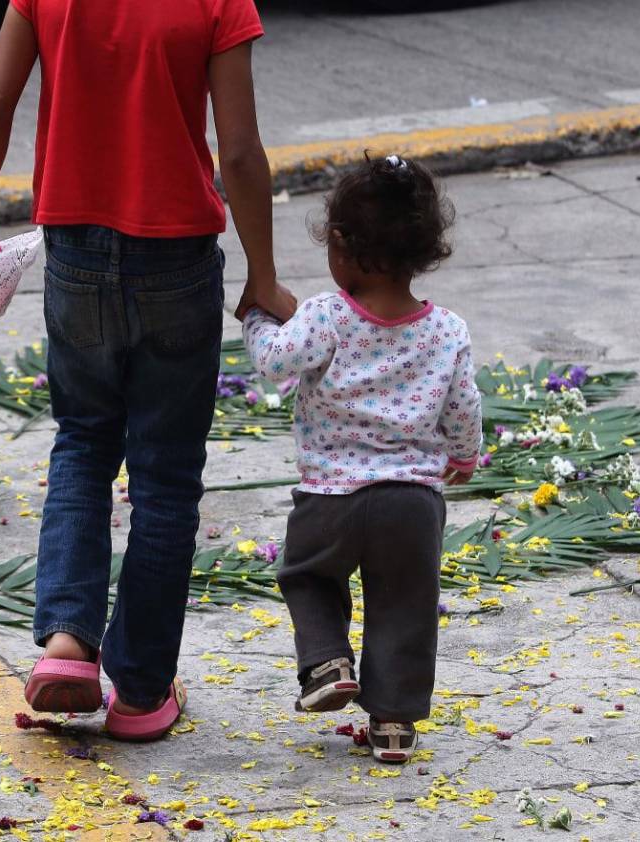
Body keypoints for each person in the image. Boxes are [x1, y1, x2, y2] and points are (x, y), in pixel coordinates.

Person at [0, 0, 296, 742]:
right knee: (165, 477)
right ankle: (140, 692)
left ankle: (68, 645)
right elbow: (238, 152)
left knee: (82, 443)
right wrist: (263, 274)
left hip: (74, 254)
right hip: (176, 263)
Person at [241, 154, 482, 763]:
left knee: (309, 576)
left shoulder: (326, 315)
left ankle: (326, 665)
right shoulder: (448, 330)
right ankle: (395, 724)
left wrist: (255, 315)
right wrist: (464, 454)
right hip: (413, 504)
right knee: (405, 605)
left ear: (342, 248)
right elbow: (462, 408)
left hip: (331, 499)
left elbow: (274, 362)